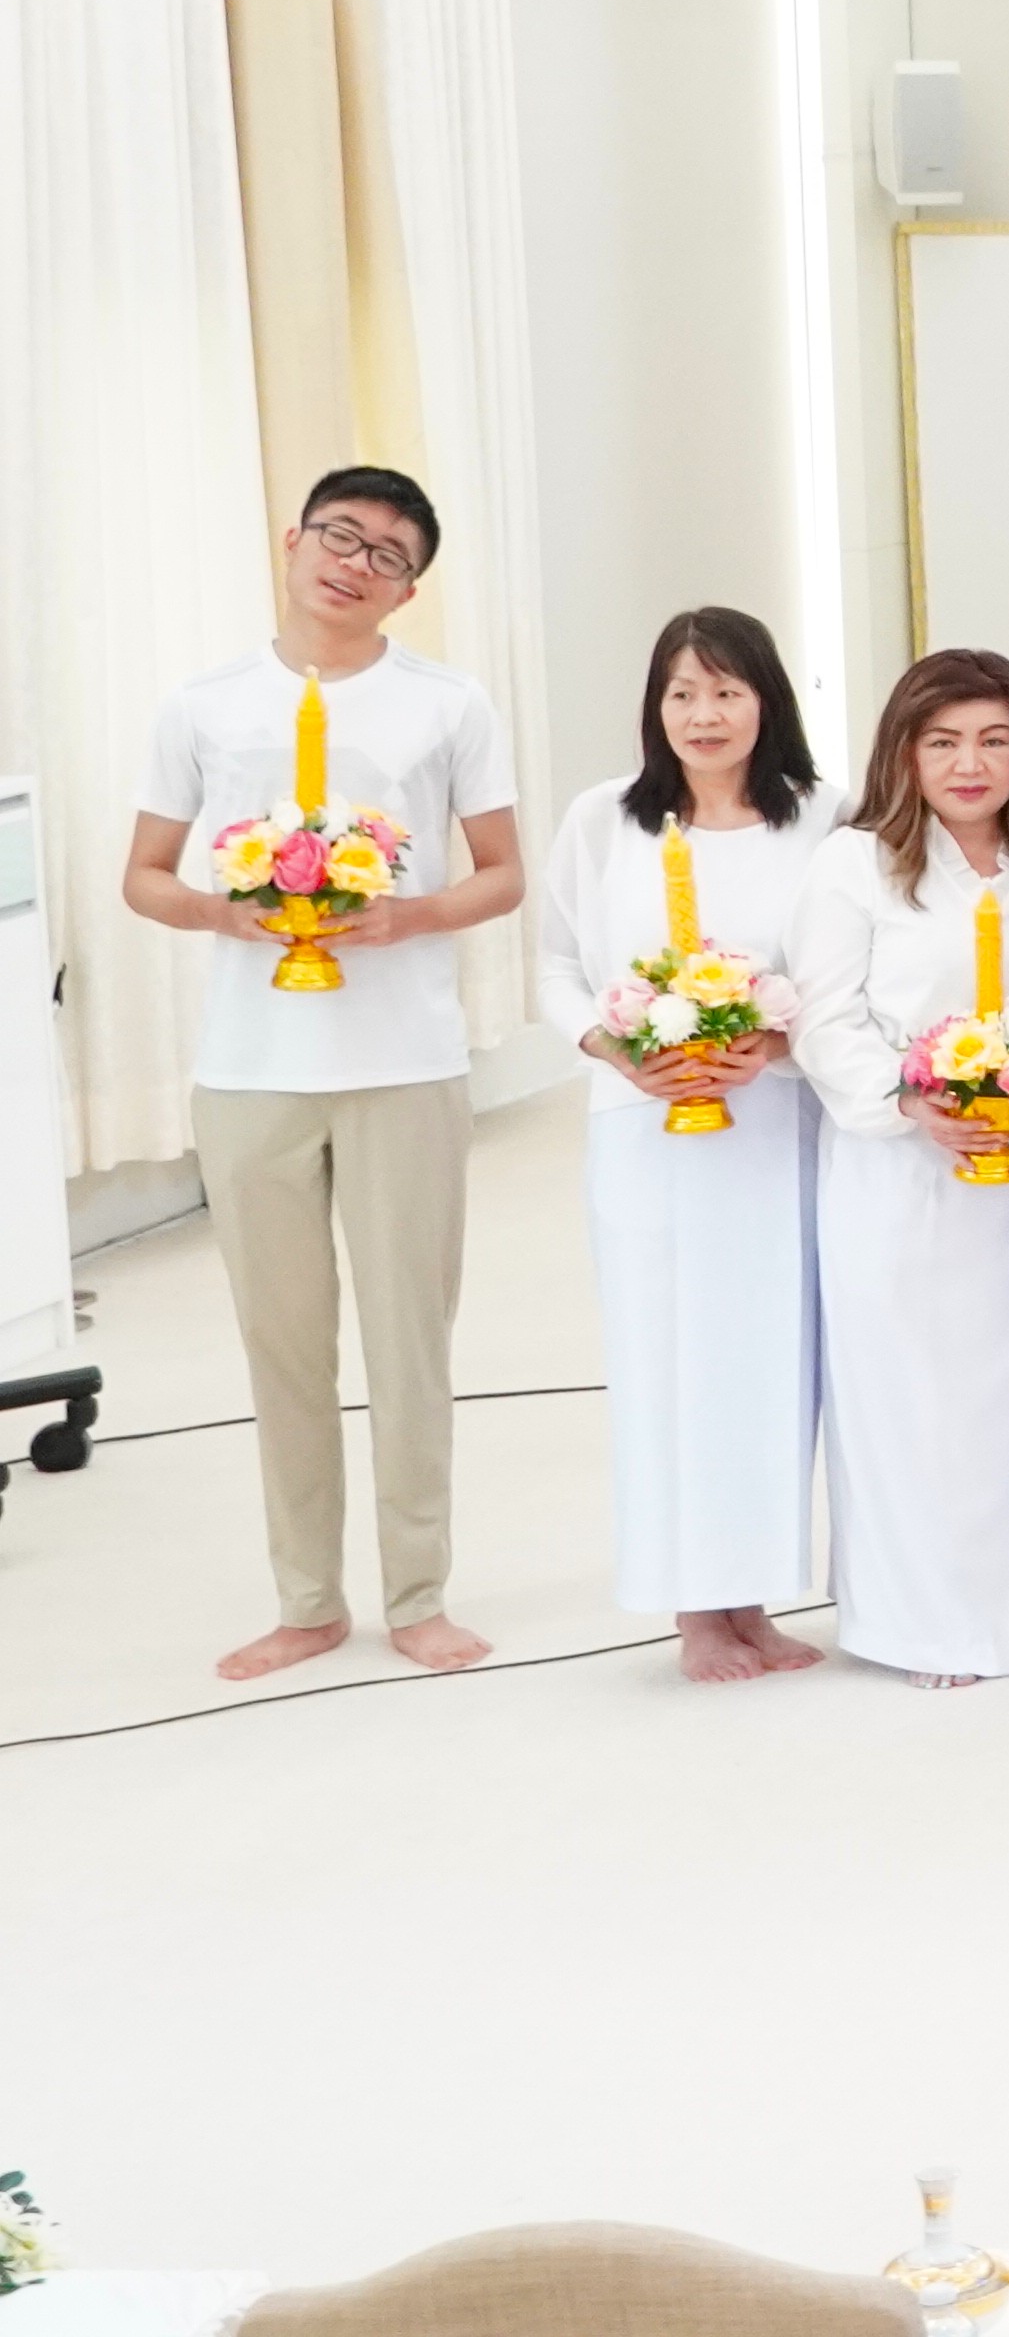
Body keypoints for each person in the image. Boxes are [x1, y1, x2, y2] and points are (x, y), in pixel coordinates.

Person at [123, 465, 526, 1682]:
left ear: (410, 587)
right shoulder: (203, 704)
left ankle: (418, 1591)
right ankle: (307, 1597)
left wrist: (410, 920)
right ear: (294, 539)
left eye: (388, 554)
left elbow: (500, 871)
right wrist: (218, 913)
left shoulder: (445, 705)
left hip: (405, 1061)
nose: (356, 562)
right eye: (341, 536)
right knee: (282, 1341)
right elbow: (142, 874)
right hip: (251, 1069)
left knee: (411, 1338)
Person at [787, 648, 1009, 1684]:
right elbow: (826, 1018)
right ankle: (921, 1623)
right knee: (912, 1393)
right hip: (898, 1173)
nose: (971, 763)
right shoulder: (854, 864)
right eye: (945, 741)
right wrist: (913, 1101)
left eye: (995, 740)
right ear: (905, 751)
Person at [533, 606, 828, 1681]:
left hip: (771, 1125)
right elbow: (557, 962)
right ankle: (693, 1611)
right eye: (682, 693)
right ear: (656, 707)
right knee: (665, 1361)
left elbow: (841, 975)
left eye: (727, 691)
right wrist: (614, 1045)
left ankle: (751, 1593)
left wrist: (774, 1041)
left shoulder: (822, 819)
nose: (705, 714)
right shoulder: (604, 819)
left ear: (767, 699)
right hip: (643, 1130)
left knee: (763, 1361)